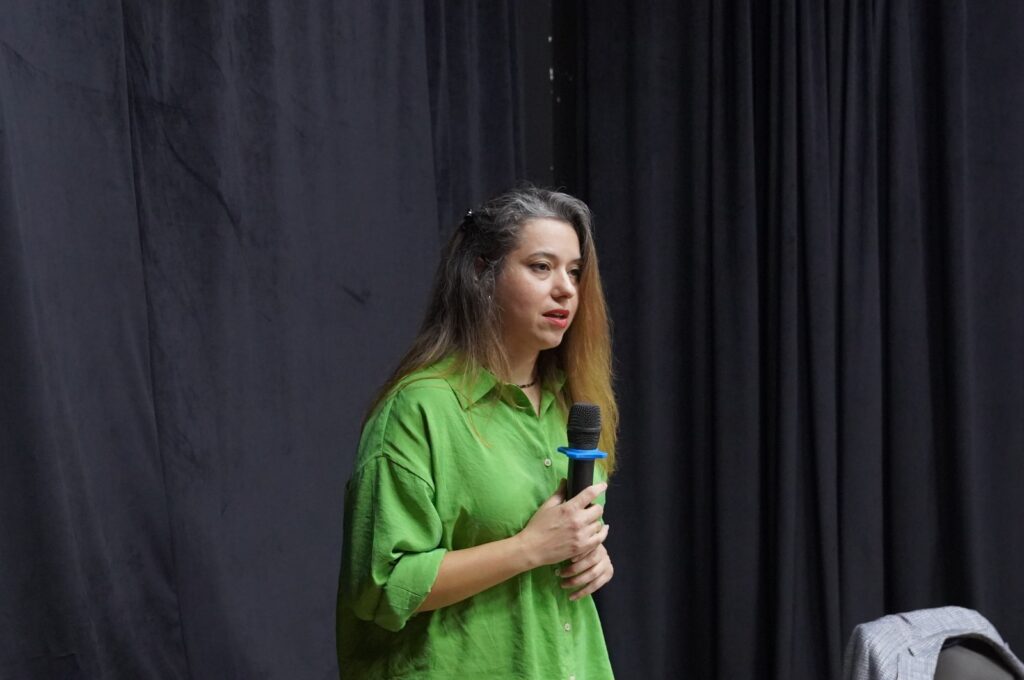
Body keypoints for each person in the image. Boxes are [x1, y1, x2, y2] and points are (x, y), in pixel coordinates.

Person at [337, 186, 619, 678]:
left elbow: (554, 543)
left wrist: (591, 555)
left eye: (574, 271)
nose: (566, 289)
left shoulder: (568, 403)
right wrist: (528, 548)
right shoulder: (420, 409)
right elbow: (382, 585)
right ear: (481, 273)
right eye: (541, 267)